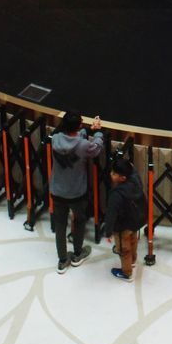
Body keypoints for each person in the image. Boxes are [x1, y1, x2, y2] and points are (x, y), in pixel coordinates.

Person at [49, 111, 104, 273]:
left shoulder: (56, 139)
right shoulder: (83, 145)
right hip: (76, 192)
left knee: (59, 225)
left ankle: (62, 259)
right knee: (79, 222)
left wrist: (84, 132)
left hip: (57, 191)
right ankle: (78, 254)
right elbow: (97, 147)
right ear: (79, 126)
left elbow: (73, 136)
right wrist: (97, 132)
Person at [102, 157, 145, 283]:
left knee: (123, 249)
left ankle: (126, 273)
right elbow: (133, 169)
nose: (111, 174)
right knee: (133, 242)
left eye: (114, 173)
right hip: (135, 221)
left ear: (123, 178)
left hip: (122, 227)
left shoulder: (116, 194)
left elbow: (111, 215)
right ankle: (132, 261)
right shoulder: (136, 180)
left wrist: (108, 232)